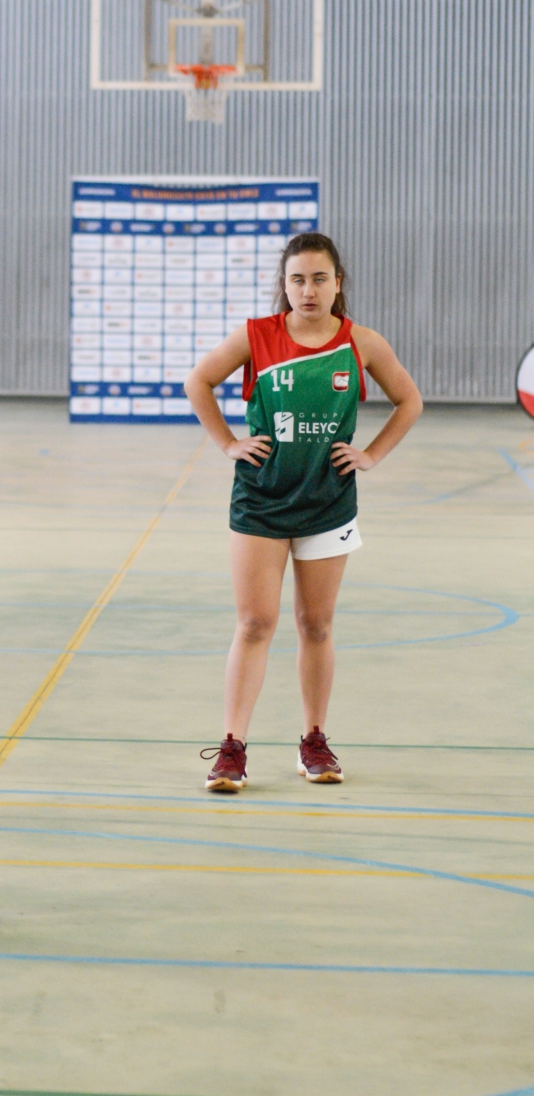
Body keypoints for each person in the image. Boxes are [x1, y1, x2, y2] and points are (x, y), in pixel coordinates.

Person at [184, 233, 422, 792]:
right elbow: (199, 381)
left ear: (337, 283)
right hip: (261, 501)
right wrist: (228, 443)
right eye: (297, 279)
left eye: (319, 278)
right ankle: (232, 748)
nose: (308, 289)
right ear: (284, 285)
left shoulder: (361, 342)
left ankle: (314, 740)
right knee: (254, 623)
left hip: (327, 502)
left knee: (316, 624)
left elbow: (409, 400)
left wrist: (371, 455)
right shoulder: (256, 336)